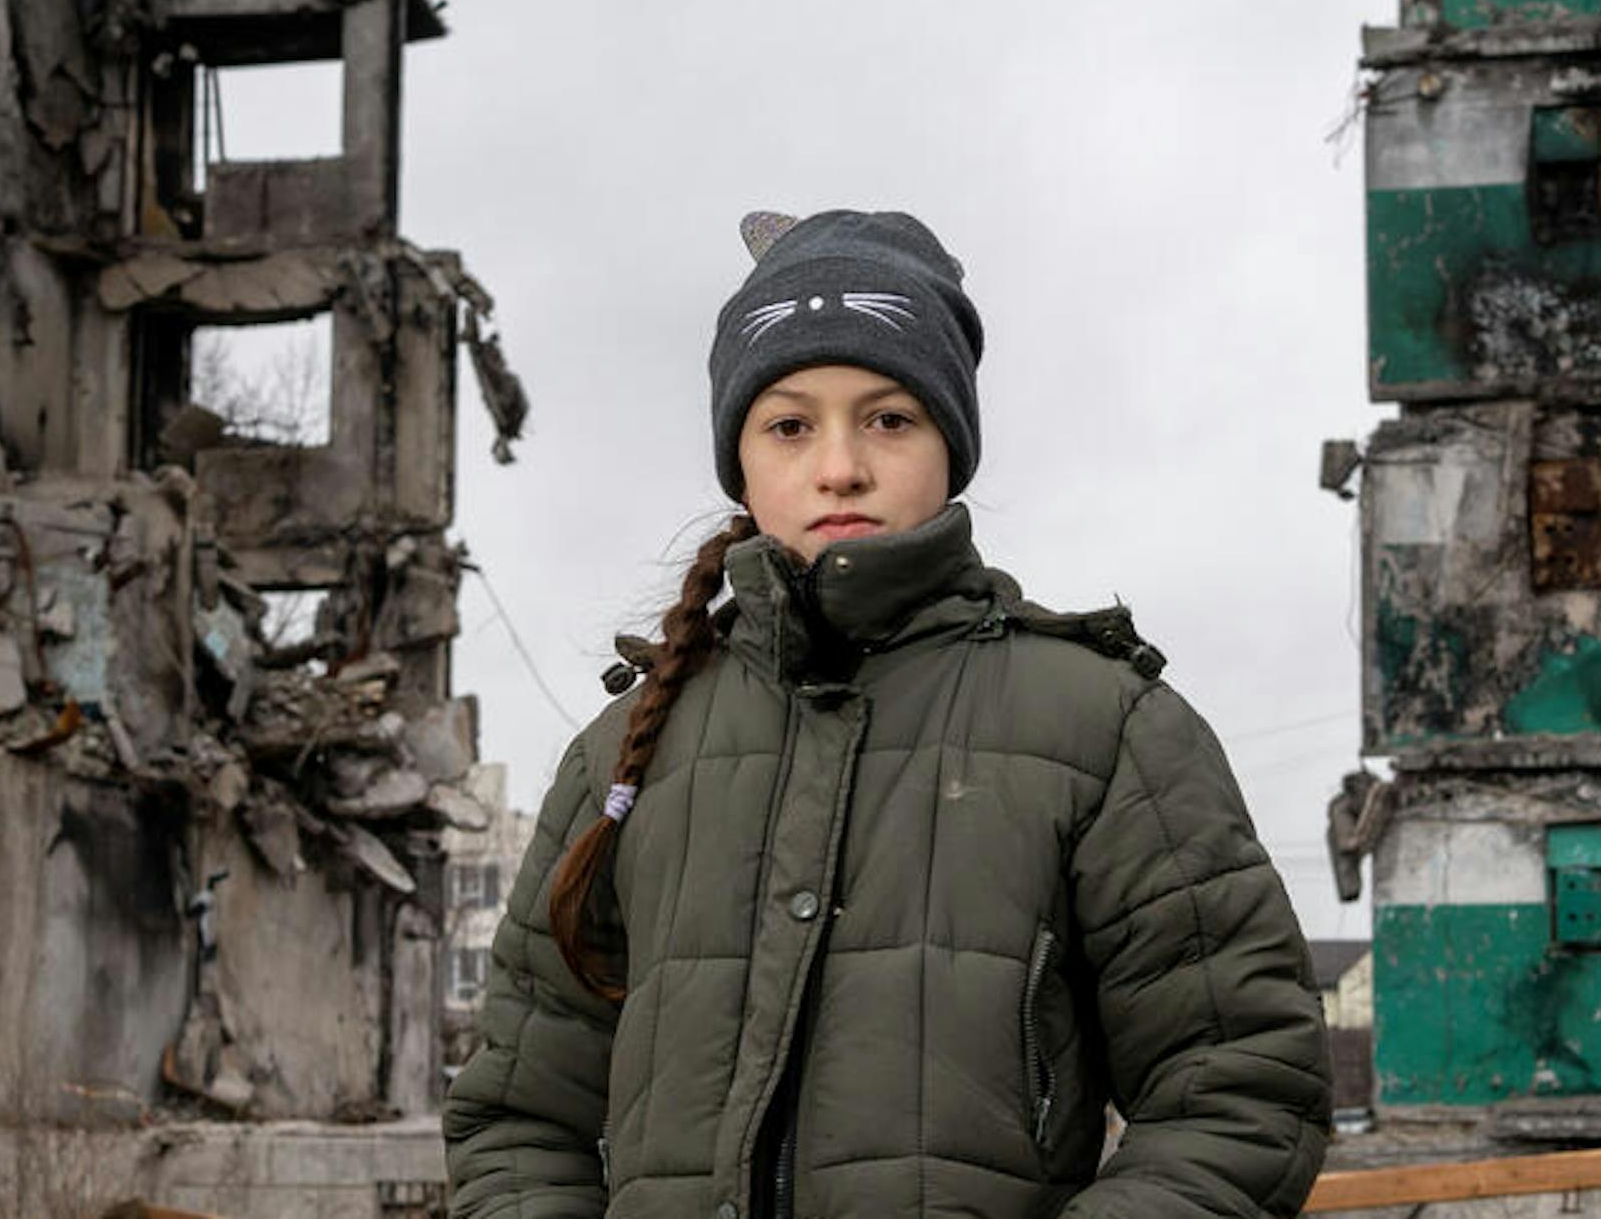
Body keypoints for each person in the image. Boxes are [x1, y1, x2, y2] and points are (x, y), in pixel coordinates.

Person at [442, 209, 1331, 1219]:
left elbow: (1238, 1091)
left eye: (888, 419)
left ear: (951, 441)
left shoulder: (1107, 729)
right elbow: (520, 1118)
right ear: (740, 454)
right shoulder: (629, 754)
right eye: (790, 424)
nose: (840, 467)